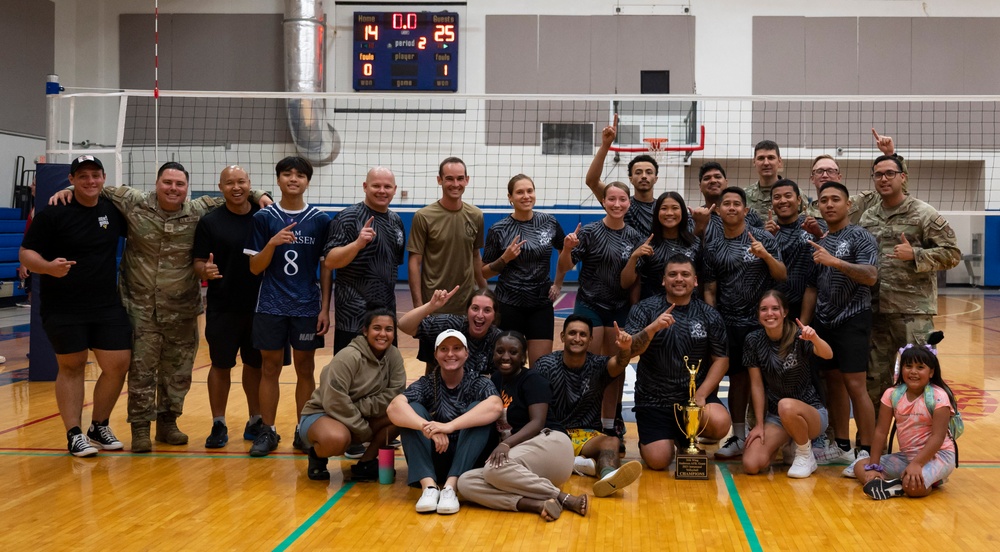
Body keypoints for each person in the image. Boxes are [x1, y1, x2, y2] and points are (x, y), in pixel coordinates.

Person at [50, 160, 271, 452]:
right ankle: (140, 428)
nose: (173, 188)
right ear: (157, 184)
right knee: (141, 370)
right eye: (167, 182)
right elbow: (95, 187)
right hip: (139, 307)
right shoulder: (133, 202)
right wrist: (66, 189)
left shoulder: (198, 210)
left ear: (186, 188)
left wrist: (260, 195)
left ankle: (168, 423)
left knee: (177, 370)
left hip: (181, 308)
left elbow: (236, 191)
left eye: (179, 184)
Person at [19, 155, 130, 456]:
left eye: (95, 175)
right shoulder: (54, 212)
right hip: (64, 306)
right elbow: (26, 253)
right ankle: (74, 433)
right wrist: (47, 267)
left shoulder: (112, 210)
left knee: (118, 364)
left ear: (104, 178)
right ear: (71, 180)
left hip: (106, 305)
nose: (90, 181)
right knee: (72, 366)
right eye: (83, 176)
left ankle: (99, 425)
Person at [859, 155, 960, 419]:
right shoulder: (868, 216)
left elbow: (952, 254)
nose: (884, 178)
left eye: (890, 173)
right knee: (874, 382)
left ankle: (926, 441)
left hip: (913, 314)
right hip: (876, 311)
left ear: (903, 177)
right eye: (878, 174)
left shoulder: (924, 213)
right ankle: (872, 444)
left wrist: (915, 254)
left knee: (922, 379)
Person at [245, 156, 332, 457]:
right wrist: (272, 243)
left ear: (308, 181)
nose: (293, 179)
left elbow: (326, 267)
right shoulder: (264, 218)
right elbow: (255, 267)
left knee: (305, 368)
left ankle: (303, 430)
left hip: (307, 306)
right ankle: (267, 430)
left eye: (299, 175)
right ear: (278, 179)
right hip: (270, 305)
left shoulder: (321, 220)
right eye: (287, 174)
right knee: (269, 368)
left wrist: (324, 308)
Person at [457, 332, 588, 521]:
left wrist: (506, 445)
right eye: (500, 351)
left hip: (551, 443)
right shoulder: (494, 381)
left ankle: (563, 498)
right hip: (521, 464)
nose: (505, 357)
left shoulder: (533, 379)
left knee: (494, 469)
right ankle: (536, 504)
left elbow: (537, 422)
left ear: (523, 357)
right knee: (465, 482)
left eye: (513, 352)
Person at [623, 254, 732, 470]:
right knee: (658, 461)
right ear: (663, 280)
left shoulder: (709, 315)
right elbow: (632, 351)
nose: (679, 279)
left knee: (719, 422)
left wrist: (700, 395)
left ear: (695, 281)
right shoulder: (644, 310)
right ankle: (663, 437)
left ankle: (687, 436)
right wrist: (652, 329)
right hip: (654, 400)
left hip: (692, 398)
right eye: (672, 274)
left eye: (685, 274)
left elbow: (721, 359)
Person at [701, 187, 786, 459]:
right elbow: (710, 289)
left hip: (762, 324)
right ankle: (738, 436)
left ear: (746, 210)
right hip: (729, 324)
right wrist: (713, 322)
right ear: (719, 210)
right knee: (737, 380)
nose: (732, 208)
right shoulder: (712, 246)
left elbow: (781, 274)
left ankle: (778, 435)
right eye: (726, 204)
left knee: (768, 379)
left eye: (737, 204)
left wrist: (766, 256)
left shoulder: (762, 238)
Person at [801, 181, 880, 472]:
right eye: (824, 200)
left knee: (856, 385)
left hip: (853, 319)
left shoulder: (860, 236)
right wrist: (805, 325)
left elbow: (870, 276)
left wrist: (835, 262)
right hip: (825, 322)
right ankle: (843, 446)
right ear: (818, 207)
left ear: (848, 205)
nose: (829, 204)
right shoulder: (819, 242)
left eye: (836, 199)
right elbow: (811, 287)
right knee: (833, 383)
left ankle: (866, 450)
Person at [387, 329, 503, 515]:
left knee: (478, 409)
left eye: (456, 348)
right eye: (444, 349)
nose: (450, 354)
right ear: (436, 354)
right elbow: (394, 408)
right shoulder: (427, 383)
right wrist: (428, 428)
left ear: (466, 353)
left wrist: (449, 426)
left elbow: (496, 406)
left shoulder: (477, 382)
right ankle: (429, 488)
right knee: (412, 411)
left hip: (467, 464)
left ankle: (451, 488)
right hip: (434, 460)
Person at [193, 165, 266, 448]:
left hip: (260, 305)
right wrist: (205, 271)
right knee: (221, 365)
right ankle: (218, 423)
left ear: (250, 185)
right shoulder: (210, 222)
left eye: (241, 182)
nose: (236, 187)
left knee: (254, 365)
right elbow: (198, 262)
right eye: (229, 183)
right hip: (223, 306)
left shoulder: (263, 218)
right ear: (220, 187)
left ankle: (256, 419)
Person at [533, 315, 643, 498]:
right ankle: (576, 463)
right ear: (562, 336)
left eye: (583, 334)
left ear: (591, 339)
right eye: (572, 333)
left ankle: (608, 478)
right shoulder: (545, 365)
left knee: (612, 441)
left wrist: (625, 350)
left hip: (587, 436)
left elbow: (619, 363)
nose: (577, 338)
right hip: (554, 434)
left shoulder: (598, 364)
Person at [300, 309, 406, 482]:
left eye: (389, 329)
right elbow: (334, 401)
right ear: (365, 331)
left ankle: (366, 462)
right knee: (336, 439)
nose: (383, 334)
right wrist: (363, 429)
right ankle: (317, 456)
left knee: (403, 415)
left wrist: (360, 410)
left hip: (359, 415)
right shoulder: (348, 356)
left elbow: (396, 393)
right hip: (323, 414)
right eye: (377, 328)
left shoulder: (394, 355)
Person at [742, 291, 833, 479]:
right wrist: (759, 424)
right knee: (752, 464)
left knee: (786, 404)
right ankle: (787, 442)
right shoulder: (753, 340)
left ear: (784, 312)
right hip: (777, 417)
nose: (770, 313)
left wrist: (814, 338)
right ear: (758, 314)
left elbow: (828, 354)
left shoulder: (799, 335)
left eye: (775, 308)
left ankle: (805, 454)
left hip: (811, 413)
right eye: (764, 309)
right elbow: (757, 385)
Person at [856, 336, 958, 500]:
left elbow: (938, 437)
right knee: (860, 467)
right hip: (907, 457)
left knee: (913, 487)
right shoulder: (892, 394)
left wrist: (917, 464)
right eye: (908, 366)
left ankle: (918, 483)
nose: (913, 371)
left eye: (920, 367)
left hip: (938, 456)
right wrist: (874, 466)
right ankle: (895, 483)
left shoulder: (939, 397)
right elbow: (881, 432)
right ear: (901, 369)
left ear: (931, 372)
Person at [482, 174, 567, 365]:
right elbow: (484, 272)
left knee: (541, 366)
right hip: (509, 304)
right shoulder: (499, 229)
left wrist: (558, 283)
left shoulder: (549, 222)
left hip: (540, 304)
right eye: (519, 192)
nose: (526, 196)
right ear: (510, 197)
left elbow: (565, 256)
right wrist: (505, 258)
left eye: (530, 191)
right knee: (509, 366)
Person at [323, 166, 406, 354]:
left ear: (395, 189)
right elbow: (330, 261)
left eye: (387, 186)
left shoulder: (396, 222)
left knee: (384, 376)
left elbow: (392, 266)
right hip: (352, 318)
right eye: (376, 185)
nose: (382, 191)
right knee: (351, 377)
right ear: (365, 186)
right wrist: (357, 244)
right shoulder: (347, 218)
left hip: (386, 318)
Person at [558, 182, 645, 355]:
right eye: (612, 199)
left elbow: (628, 283)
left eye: (622, 199)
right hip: (589, 304)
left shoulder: (635, 237)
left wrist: (634, 257)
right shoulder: (589, 232)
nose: (617, 204)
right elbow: (565, 266)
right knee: (588, 360)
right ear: (604, 201)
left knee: (614, 365)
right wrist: (567, 249)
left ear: (629, 203)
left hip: (619, 306)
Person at [407, 157, 486, 315]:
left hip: (466, 304)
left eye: (460, 179)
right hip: (433, 303)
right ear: (439, 180)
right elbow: (414, 262)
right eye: (449, 179)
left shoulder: (476, 215)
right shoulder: (423, 216)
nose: (455, 184)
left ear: (467, 180)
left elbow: (475, 256)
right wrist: (418, 306)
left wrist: (484, 290)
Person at [398, 287, 502, 376]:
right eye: (475, 308)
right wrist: (431, 306)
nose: (480, 315)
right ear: (467, 311)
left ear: (494, 316)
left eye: (487, 310)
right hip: (440, 391)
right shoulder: (450, 324)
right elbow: (403, 325)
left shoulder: (499, 340)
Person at [804, 128, 899, 225]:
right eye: (819, 171)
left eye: (830, 171)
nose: (825, 175)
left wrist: (890, 155)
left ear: (839, 177)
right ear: (812, 178)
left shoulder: (860, 204)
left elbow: (896, 194)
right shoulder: (804, 217)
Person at [585, 114, 658, 232]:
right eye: (638, 172)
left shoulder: (663, 207)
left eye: (649, 172)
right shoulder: (621, 203)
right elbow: (592, 181)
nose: (644, 176)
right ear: (630, 178)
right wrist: (605, 145)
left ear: (656, 178)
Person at [621, 192, 700, 300]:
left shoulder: (695, 243)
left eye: (675, 208)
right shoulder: (646, 244)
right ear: (657, 213)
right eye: (664, 208)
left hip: (689, 308)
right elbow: (627, 284)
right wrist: (634, 257)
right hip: (653, 309)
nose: (669, 213)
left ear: (682, 212)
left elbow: (704, 280)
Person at [764, 179, 824, 320]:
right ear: (772, 203)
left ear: (798, 200)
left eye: (788, 196)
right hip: (774, 307)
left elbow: (831, 257)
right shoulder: (764, 232)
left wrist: (818, 235)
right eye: (777, 197)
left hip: (811, 303)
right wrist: (767, 239)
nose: (783, 201)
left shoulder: (815, 226)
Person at [690, 162, 764, 240]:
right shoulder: (694, 217)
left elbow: (763, 241)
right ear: (700, 187)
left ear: (726, 182)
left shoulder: (749, 214)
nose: (713, 181)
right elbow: (687, 248)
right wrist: (699, 226)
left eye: (717, 177)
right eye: (707, 178)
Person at [743, 140, 786, 219]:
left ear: (779, 161)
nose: (766, 163)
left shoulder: (794, 193)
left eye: (771, 158)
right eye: (761, 158)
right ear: (754, 162)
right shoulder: (744, 195)